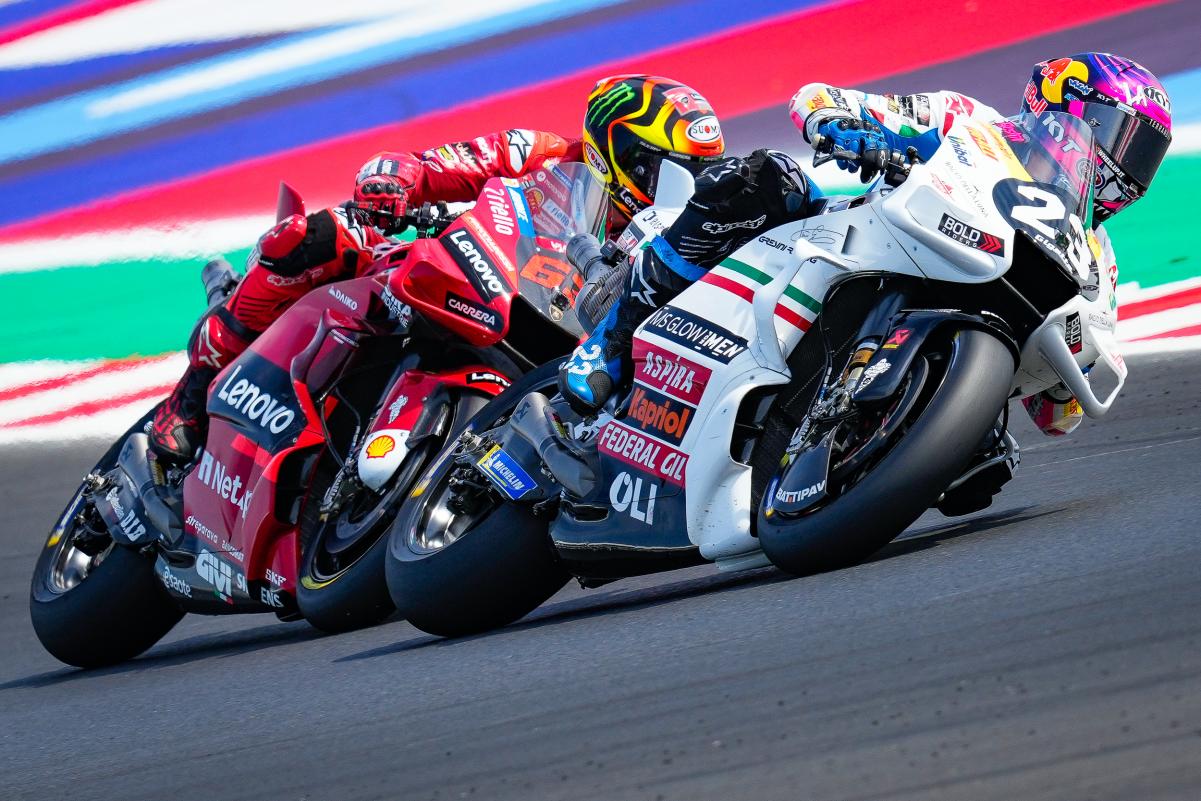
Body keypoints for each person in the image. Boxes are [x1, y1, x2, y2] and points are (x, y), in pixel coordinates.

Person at [560, 53, 1173, 443]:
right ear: (1065, 110)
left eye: (1143, 154)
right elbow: (817, 96)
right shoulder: (968, 120)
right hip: (850, 240)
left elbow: (1057, 418)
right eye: (1122, 138)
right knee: (766, 180)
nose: (1129, 167)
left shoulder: (1094, 258)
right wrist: (839, 126)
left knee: (988, 462)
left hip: (948, 320)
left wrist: (1065, 380)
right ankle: (611, 341)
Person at [150, 74, 726, 462]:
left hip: (554, 352)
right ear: (618, 151)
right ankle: (192, 393)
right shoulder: (542, 154)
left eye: (696, 172)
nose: (681, 185)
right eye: (665, 168)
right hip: (456, 277)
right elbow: (434, 164)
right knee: (314, 239)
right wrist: (393, 180)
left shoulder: (677, 239)